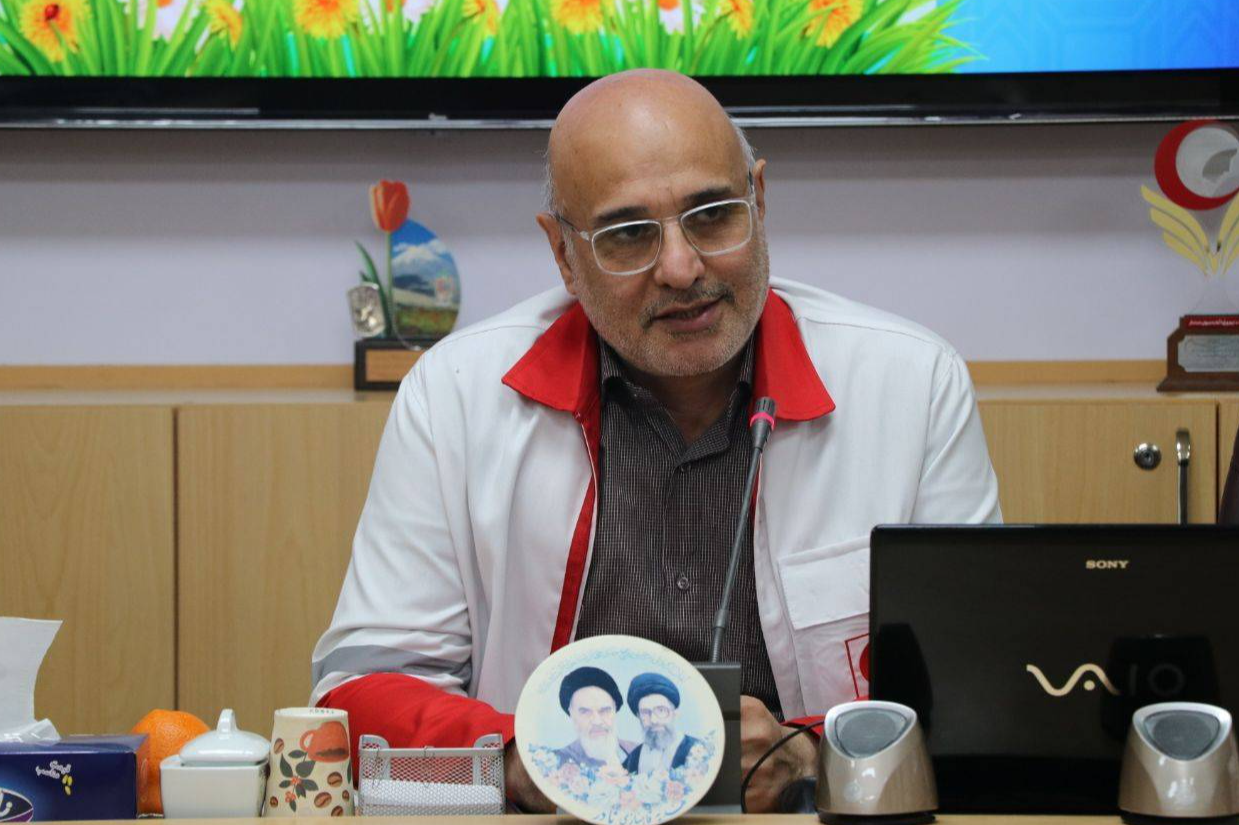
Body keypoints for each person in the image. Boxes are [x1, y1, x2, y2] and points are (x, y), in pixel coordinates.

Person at [310, 69, 1001, 813]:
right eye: (629, 234)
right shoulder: (455, 395)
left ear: (759, 202)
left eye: (713, 216)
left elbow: (979, 691)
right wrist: (522, 758)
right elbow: (359, 692)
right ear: (563, 254)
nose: (681, 268)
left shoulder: (911, 383)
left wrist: (805, 753)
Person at [553, 666, 636, 769]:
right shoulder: (555, 762)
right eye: (585, 712)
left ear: (615, 710)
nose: (597, 721)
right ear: (572, 714)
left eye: (604, 711)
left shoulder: (638, 752)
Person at [622, 673, 701, 775]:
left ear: (675, 713)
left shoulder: (699, 751)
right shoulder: (632, 759)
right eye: (645, 712)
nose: (654, 720)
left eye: (661, 710)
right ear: (638, 716)